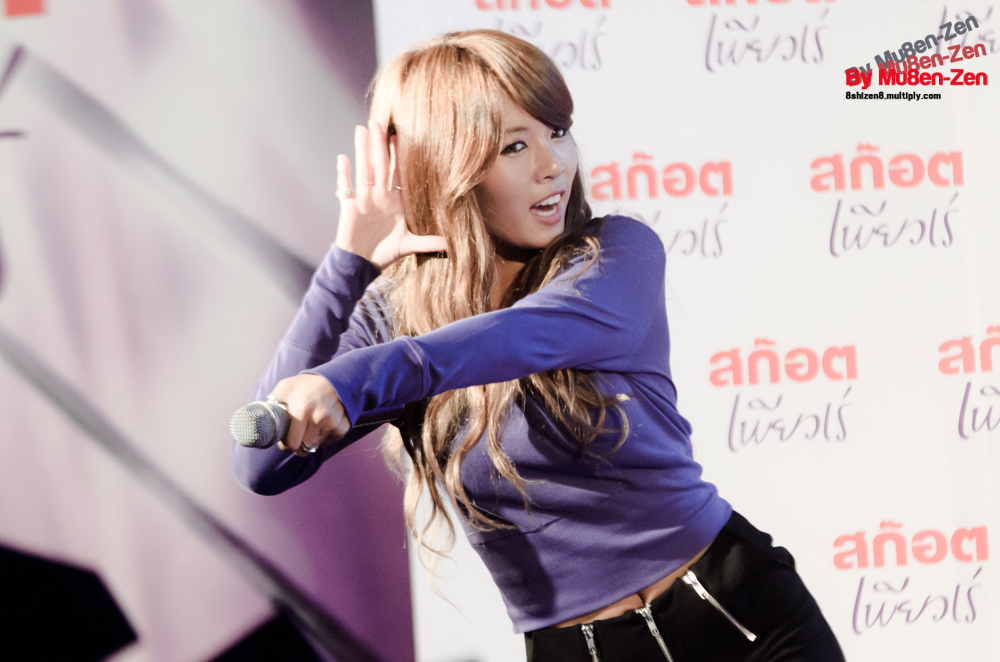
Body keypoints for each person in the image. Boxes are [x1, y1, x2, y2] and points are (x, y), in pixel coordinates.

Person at [231, 29, 844, 662]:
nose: (553, 165)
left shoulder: (615, 256)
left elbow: (523, 336)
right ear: (447, 165)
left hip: (740, 614)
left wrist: (351, 379)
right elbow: (261, 466)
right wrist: (348, 263)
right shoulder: (395, 321)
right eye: (514, 146)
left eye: (558, 131)